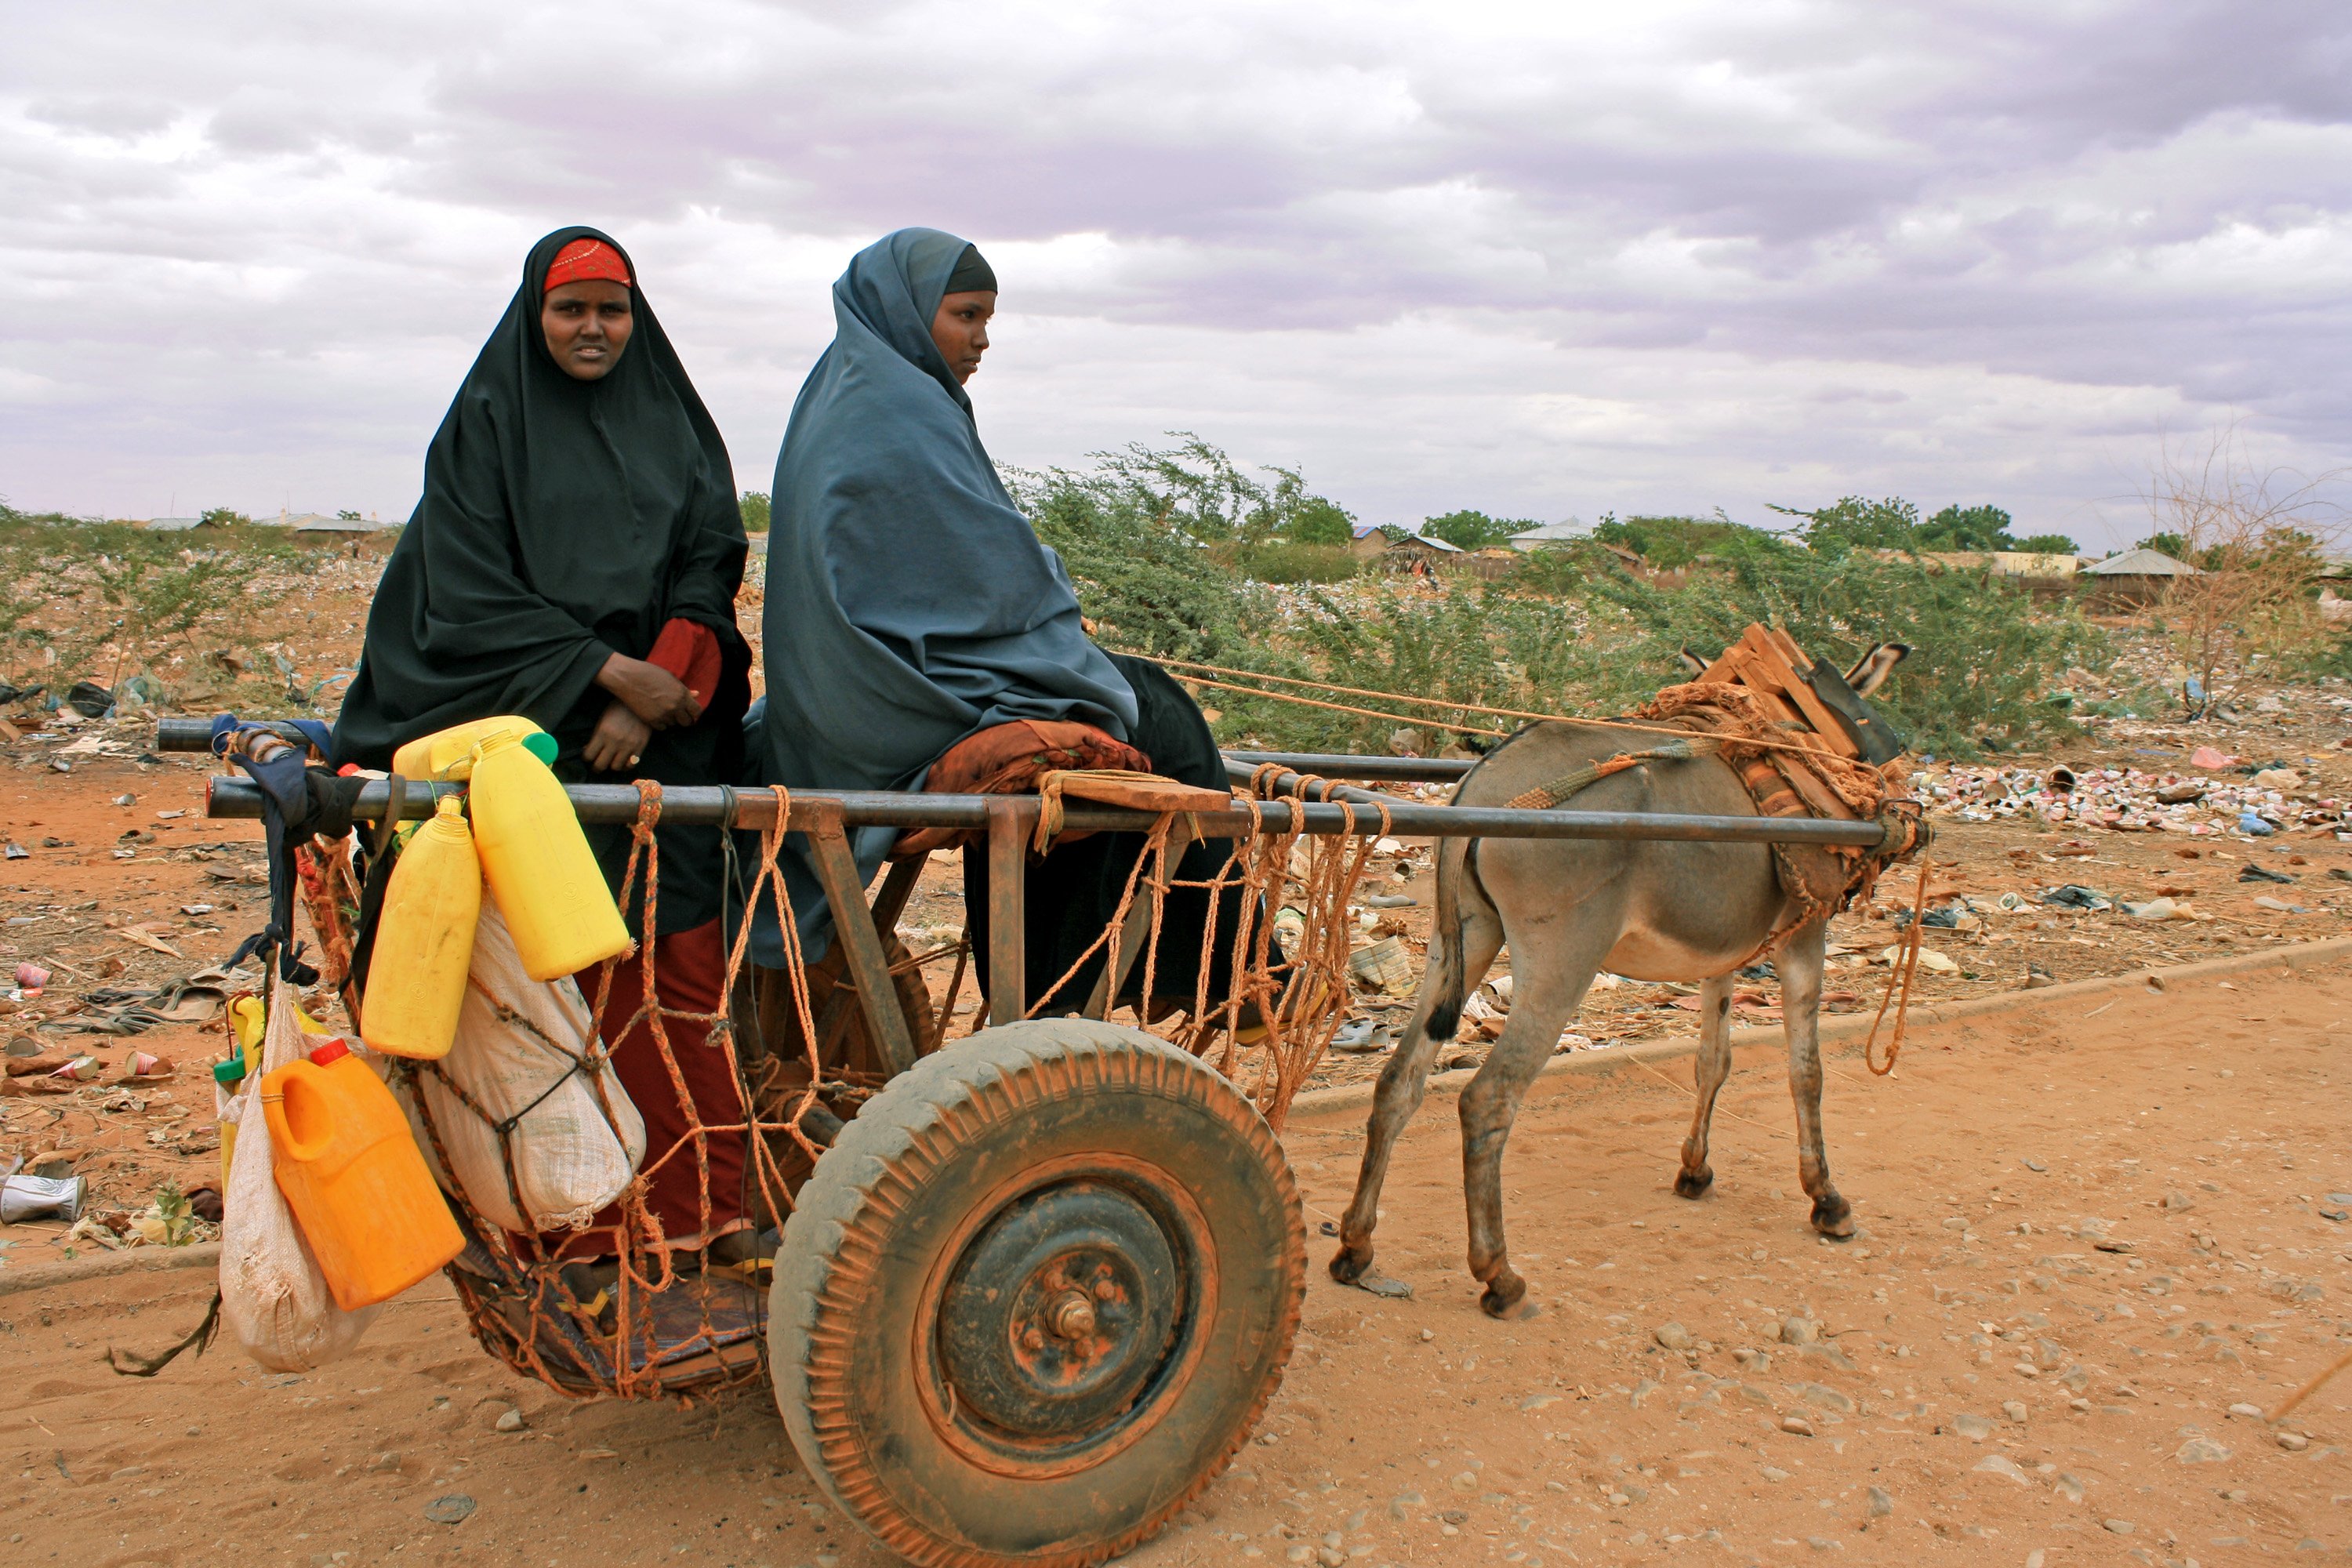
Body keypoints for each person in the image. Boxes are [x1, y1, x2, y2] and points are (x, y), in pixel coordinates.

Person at [332, 227, 755, 1262]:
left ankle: (708, 1210)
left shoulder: (675, 421)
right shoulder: (488, 421)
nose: (594, 329)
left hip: (659, 725)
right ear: (536, 316)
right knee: (538, 987)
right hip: (519, 715)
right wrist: (600, 676)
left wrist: (652, 688)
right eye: (573, 310)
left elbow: (711, 556)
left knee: (675, 968)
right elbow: (464, 592)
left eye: (612, 310)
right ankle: (582, 1236)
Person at [754, 227, 1251, 1018]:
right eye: (965, 314)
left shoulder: (849, 390)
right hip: (890, 700)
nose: (982, 339)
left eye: (988, 317)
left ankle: (1125, 975)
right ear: (911, 312)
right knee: (1147, 706)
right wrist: (1048, 590)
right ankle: (1216, 970)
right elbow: (991, 575)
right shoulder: (896, 410)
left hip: (848, 689)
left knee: (1111, 710)